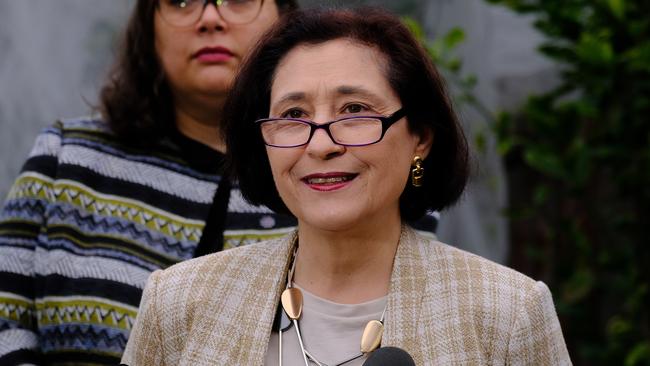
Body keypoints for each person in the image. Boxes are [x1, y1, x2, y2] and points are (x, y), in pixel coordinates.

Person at [121, 6, 571, 366]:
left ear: (421, 138)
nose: (321, 145)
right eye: (294, 116)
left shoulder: (508, 312)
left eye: (354, 110)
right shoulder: (178, 302)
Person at [0, 0, 302, 364]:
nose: (210, 19)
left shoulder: (321, 175)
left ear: (284, 23)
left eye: (236, 0)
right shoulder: (67, 159)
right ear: (149, 30)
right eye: (181, 2)